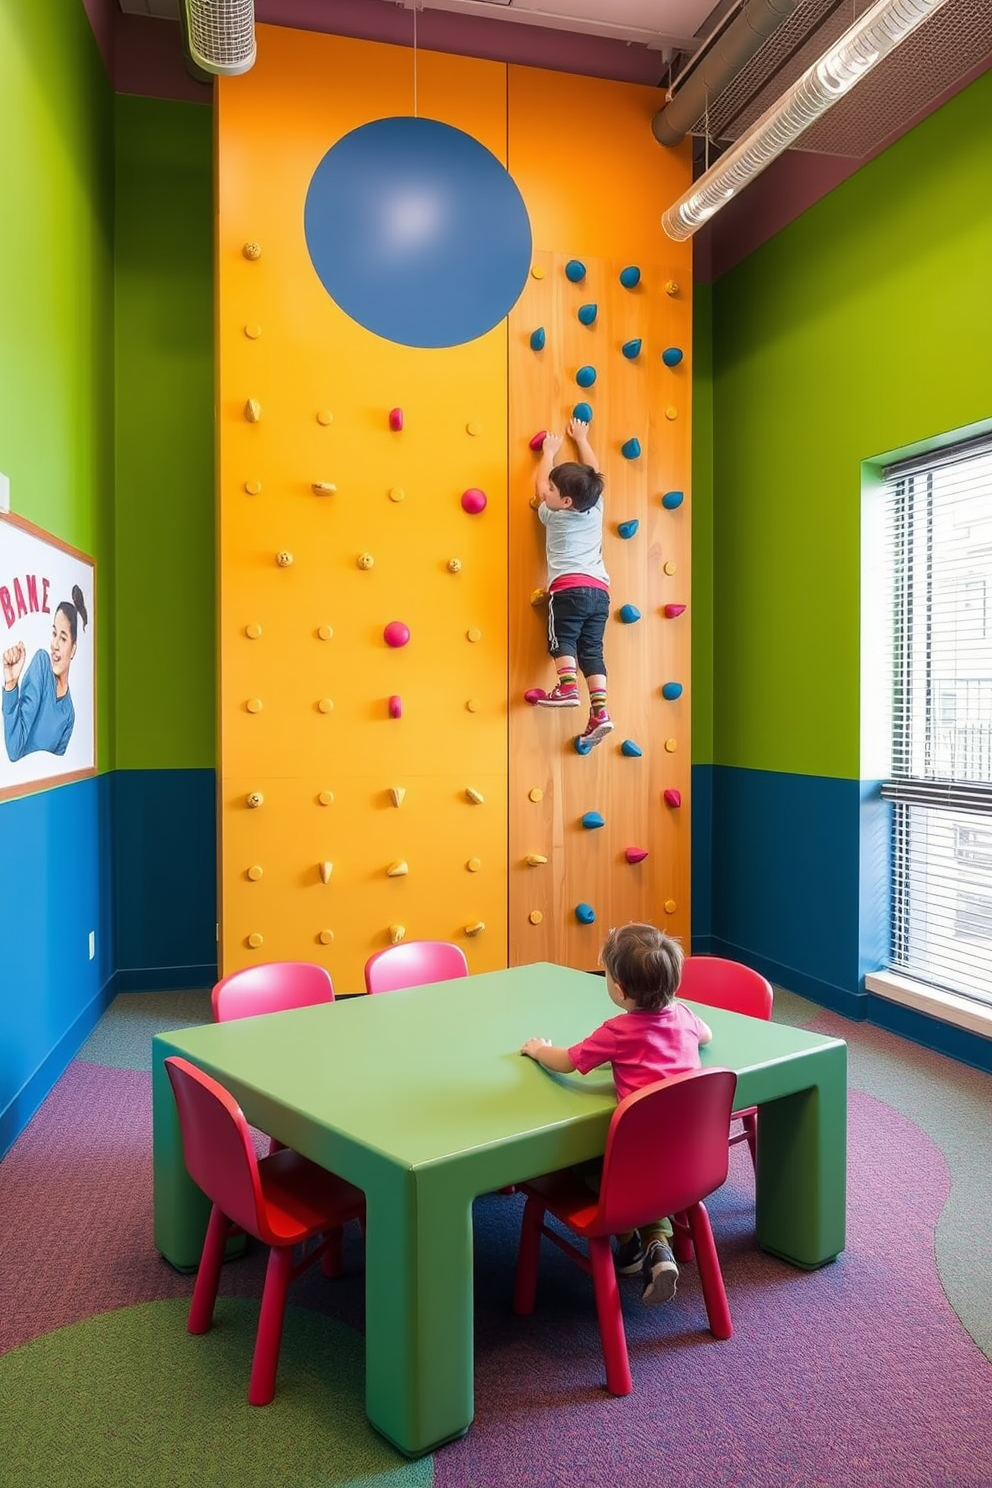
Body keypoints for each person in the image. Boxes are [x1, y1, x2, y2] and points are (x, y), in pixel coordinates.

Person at [520, 922, 712, 1305]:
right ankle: (656, 1243)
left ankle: (626, 1243)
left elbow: (569, 1062)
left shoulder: (617, 1032)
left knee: (579, 1165)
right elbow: (706, 1036)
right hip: (687, 1158)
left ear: (620, 990)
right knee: (643, 1178)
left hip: (630, 1162)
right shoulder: (685, 1017)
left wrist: (539, 1049)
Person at [530, 417, 613, 748]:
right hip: (600, 592)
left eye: (554, 489)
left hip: (568, 590)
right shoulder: (595, 508)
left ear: (565, 502)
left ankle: (567, 687)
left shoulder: (554, 515)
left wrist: (547, 453)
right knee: (591, 650)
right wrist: (582, 439)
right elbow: (594, 473)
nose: (547, 491)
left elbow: (538, 491)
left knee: (560, 638)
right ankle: (600, 713)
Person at [2, 585, 88, 762]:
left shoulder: (69, 714)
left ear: (73, 649)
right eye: (54, 633)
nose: (54, 644)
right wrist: (11, 684)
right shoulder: (42, 664)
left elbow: (58, 768)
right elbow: (14, 750)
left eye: (63, 638)